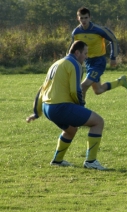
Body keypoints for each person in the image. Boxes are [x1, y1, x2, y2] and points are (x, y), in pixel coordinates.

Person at [26, 40, 106, 170]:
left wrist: (37, 112)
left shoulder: (56, 63)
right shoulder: (74, 64)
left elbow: (42, 89)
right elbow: (76, 90)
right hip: (60, 107)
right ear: (77, 52)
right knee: (98, 122)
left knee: (71, 130)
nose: (86, 57)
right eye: (85, 54)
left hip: (48, 108)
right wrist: (81, 105)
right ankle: (91, 161)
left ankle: (57, 161)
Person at [67, 6, 127, 99]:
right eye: (81, 18)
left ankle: (81, 111)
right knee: (98, 90)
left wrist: (113, 57)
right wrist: (68, 61)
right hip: (88, 62)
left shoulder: (98, 29)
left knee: (83, 86)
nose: (84, 20)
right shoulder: (76, 32)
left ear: (90, 17)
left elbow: (113, 40)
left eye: (86, 18)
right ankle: (121, 82)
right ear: (78, 18)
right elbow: (72, 48)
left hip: (99, 62)